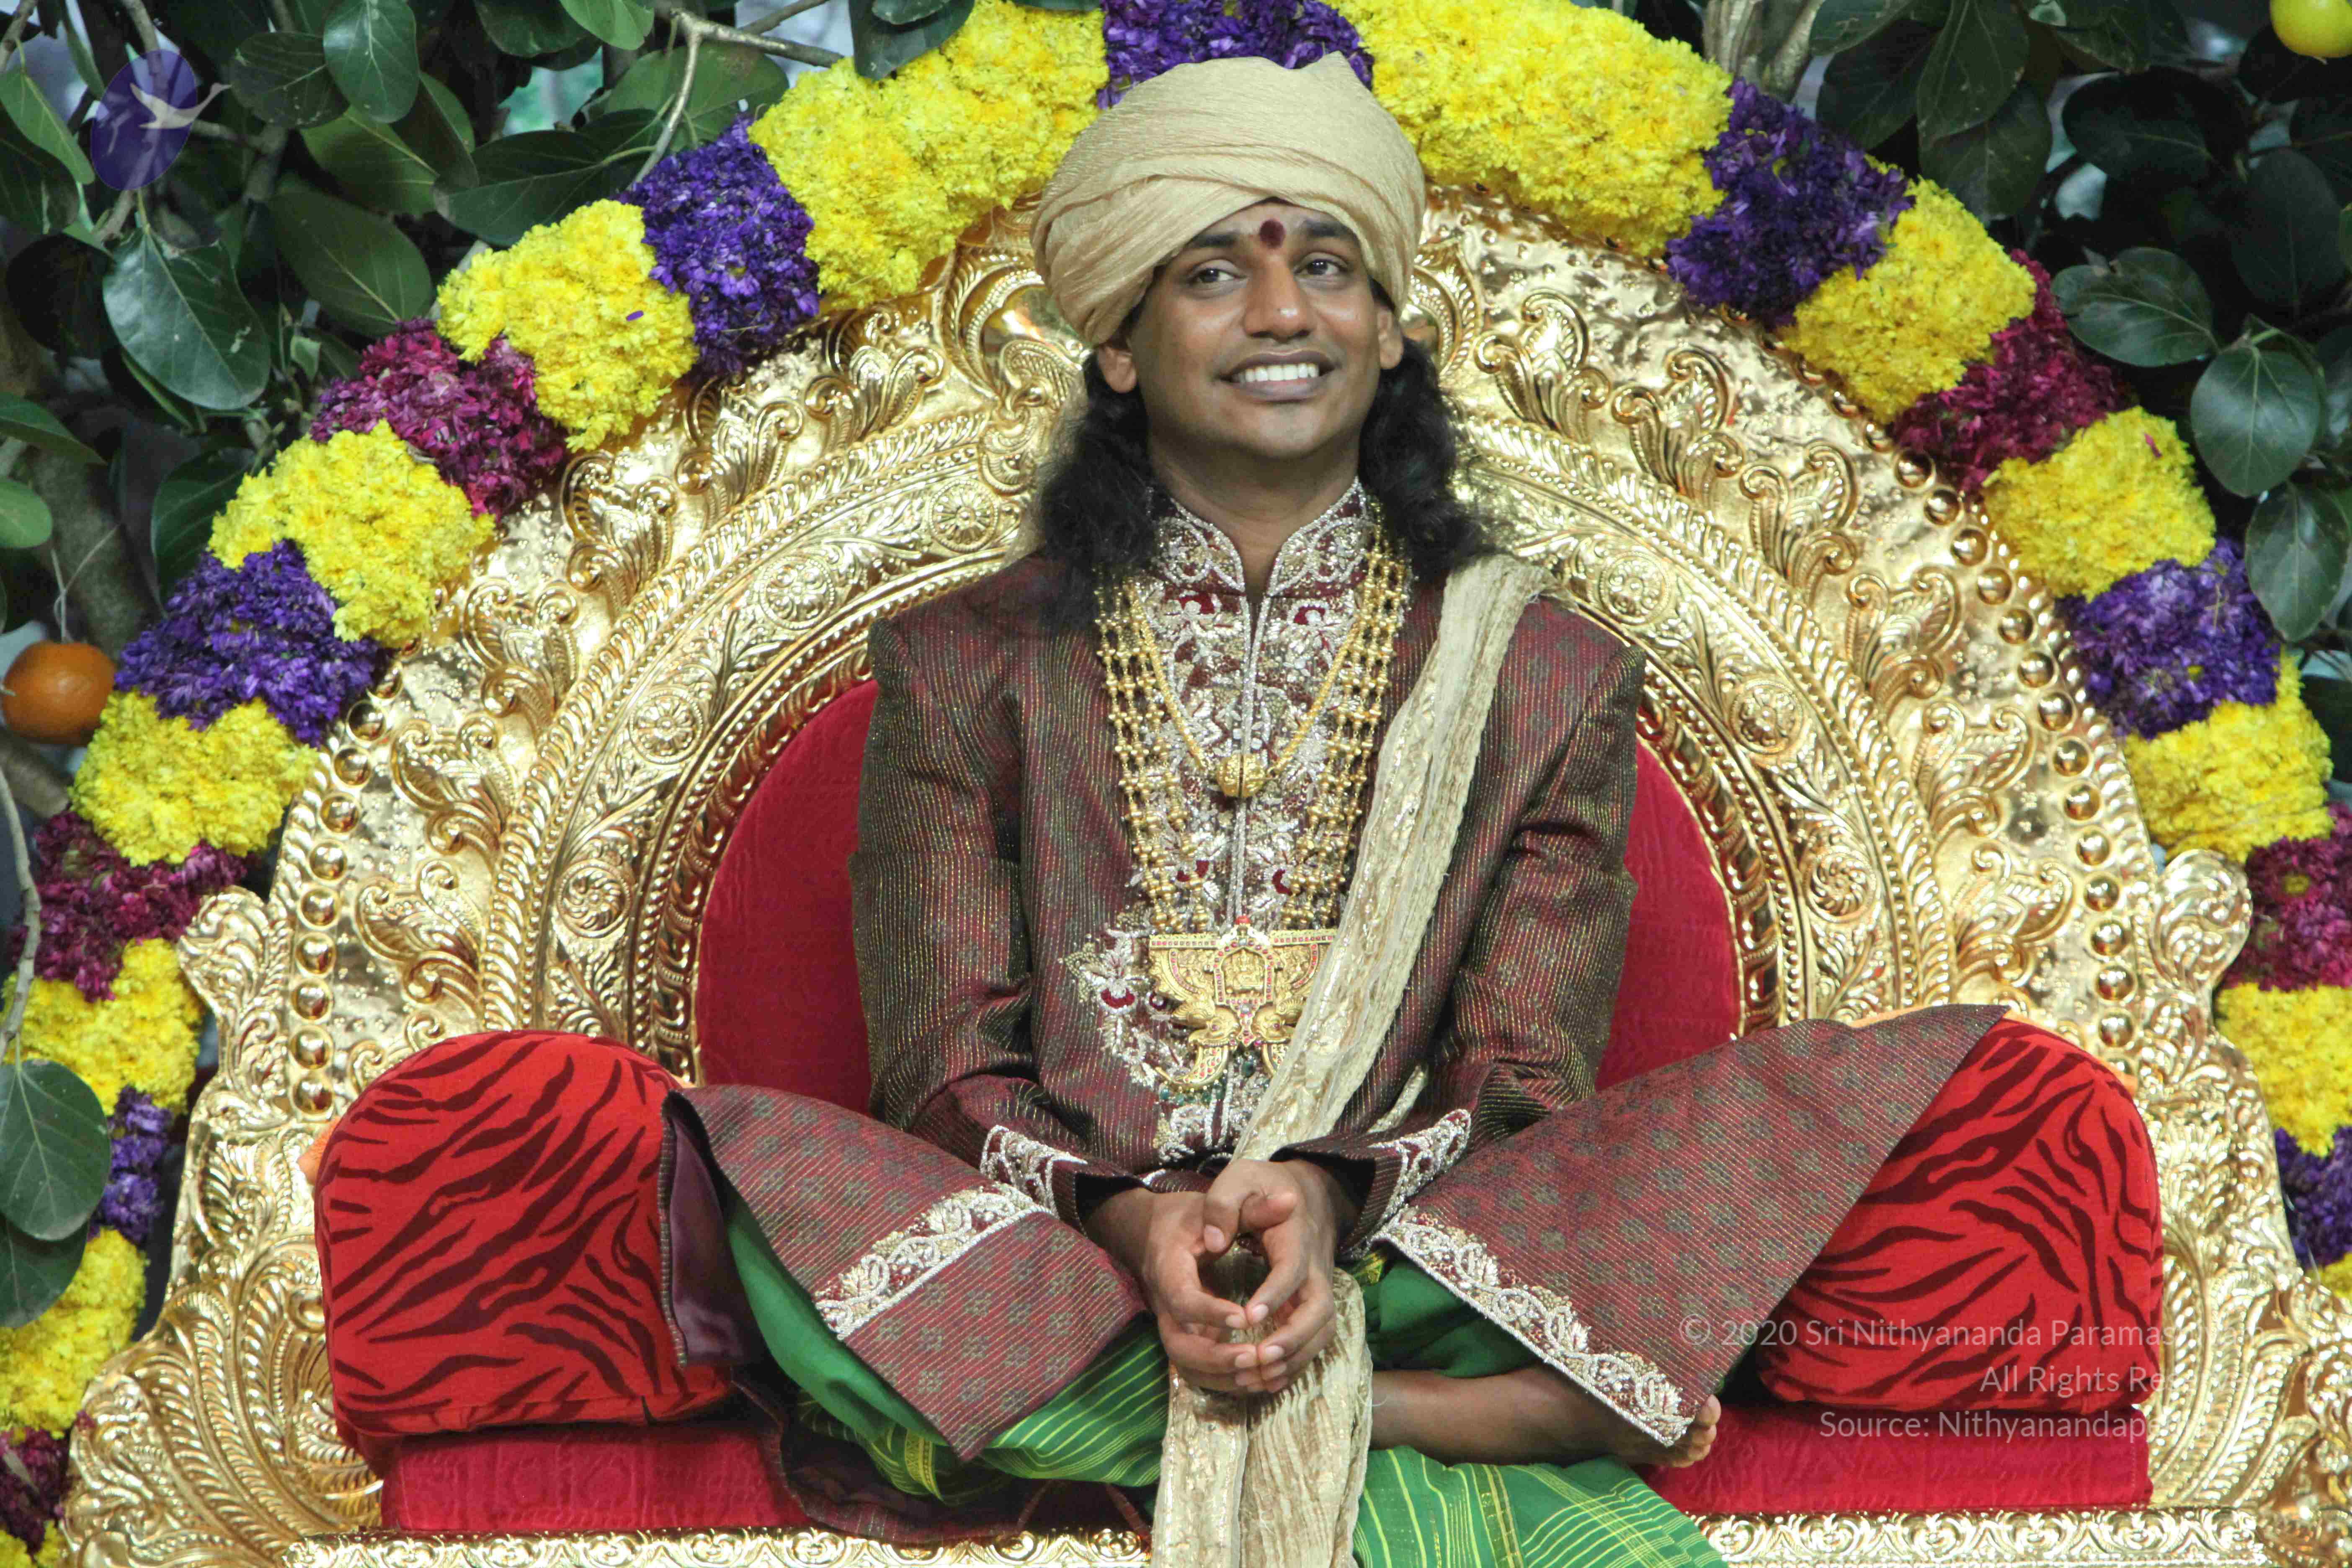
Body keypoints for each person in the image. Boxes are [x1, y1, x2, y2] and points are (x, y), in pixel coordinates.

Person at [307, 51, 2017, 1568]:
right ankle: (1413, 1413)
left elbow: (1522, 1075)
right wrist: (1141, 1221)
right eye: (1214, 269)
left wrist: (1323, 1203)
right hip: (1067, 1257)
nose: (1283, 311)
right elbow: (945, 1065)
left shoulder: (1543, 670)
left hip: (1415, 1245)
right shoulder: (966, 662)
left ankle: (1316, 1393)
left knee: (1688, 1195)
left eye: (1326, 263)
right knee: (763, 1181)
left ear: (1391, 330)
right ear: (1119, 346)